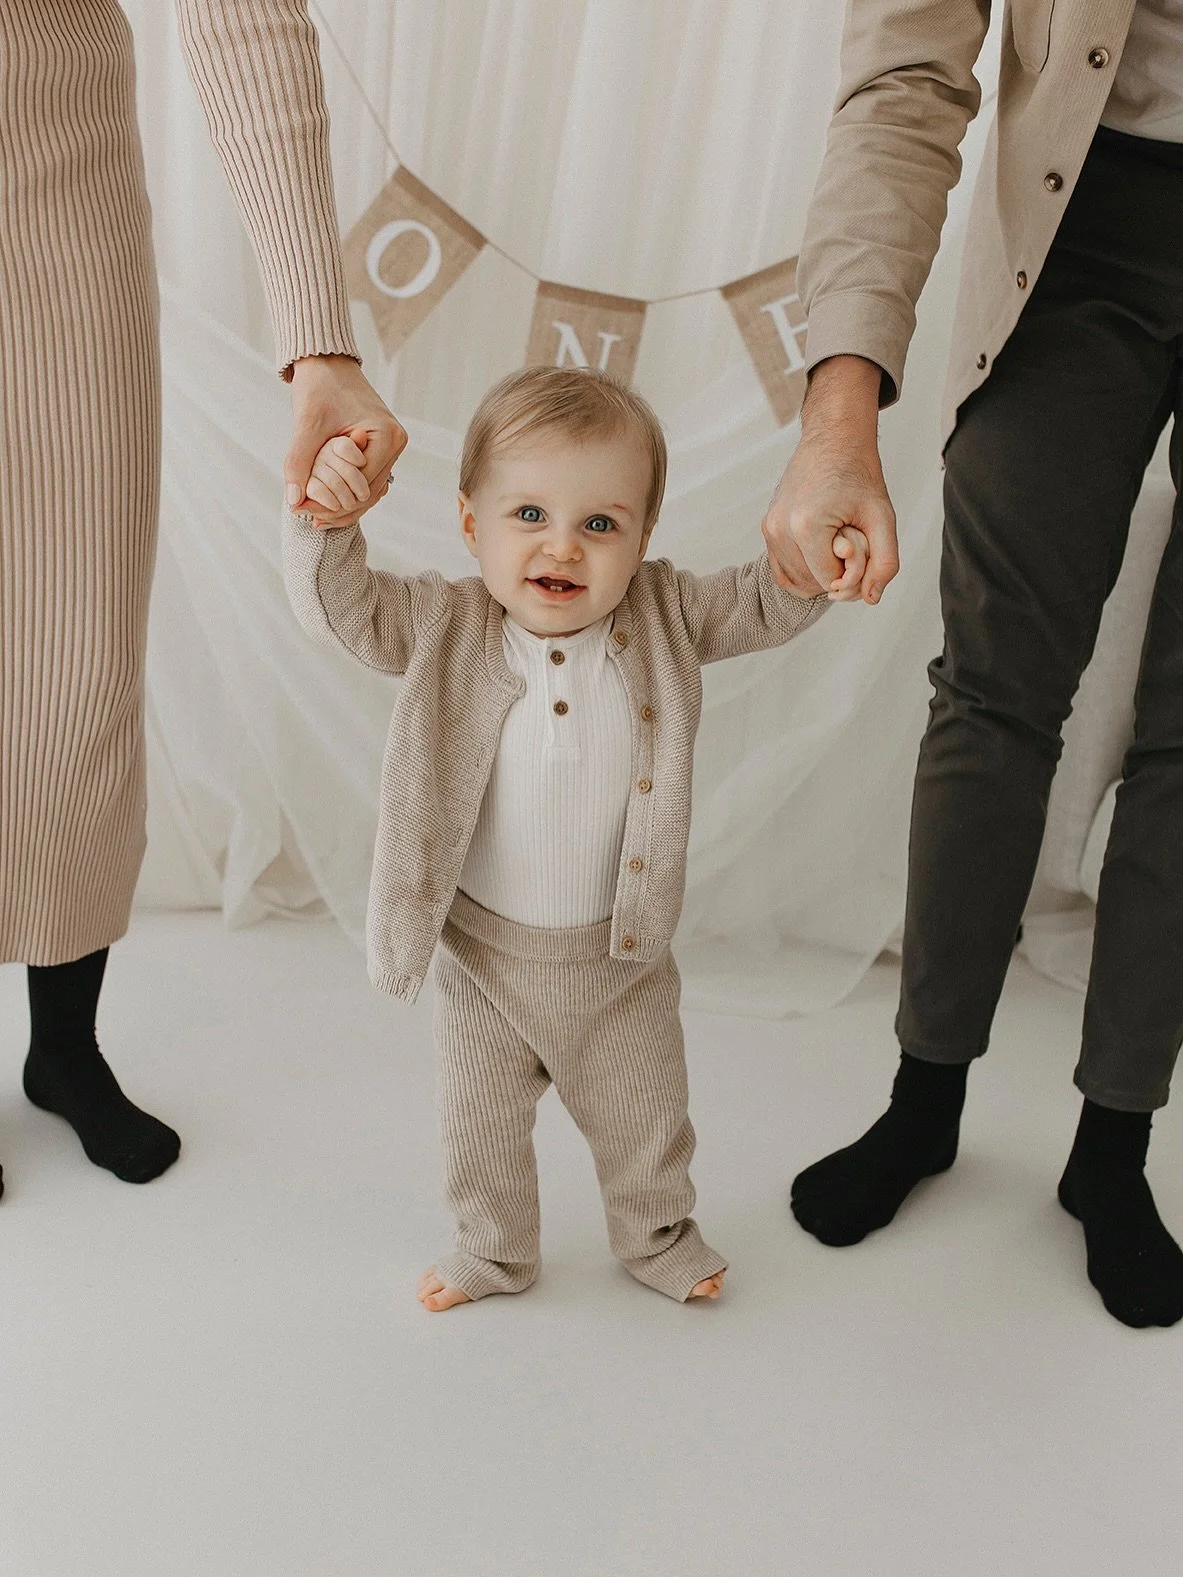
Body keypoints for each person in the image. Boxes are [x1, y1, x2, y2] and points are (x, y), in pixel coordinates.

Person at [761, 0, 1183, 1328]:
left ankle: (1109, 1146)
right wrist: (838, 409)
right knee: (993, 689)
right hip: (1079, 227)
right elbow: (900, 78)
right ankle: (922, 1098)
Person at [284, 366, 868, 1309]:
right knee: (479, 1128)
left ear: (641, 539)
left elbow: (766, 599)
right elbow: (336, 611)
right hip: (483, 959)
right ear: (471, 524)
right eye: (527, 515)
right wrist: (326, 521)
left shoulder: (668, 614)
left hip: (619, 960)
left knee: (648, 1122)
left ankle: (655, 1235)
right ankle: (493, 1248)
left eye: (600, 524)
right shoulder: (441, 624)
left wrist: (814, 553)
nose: (562, 545)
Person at [0, 0, 403, 1198]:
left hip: (60, 214)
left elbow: (245, 24)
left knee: (74, 667)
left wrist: (317, 340)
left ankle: (64, 1050)